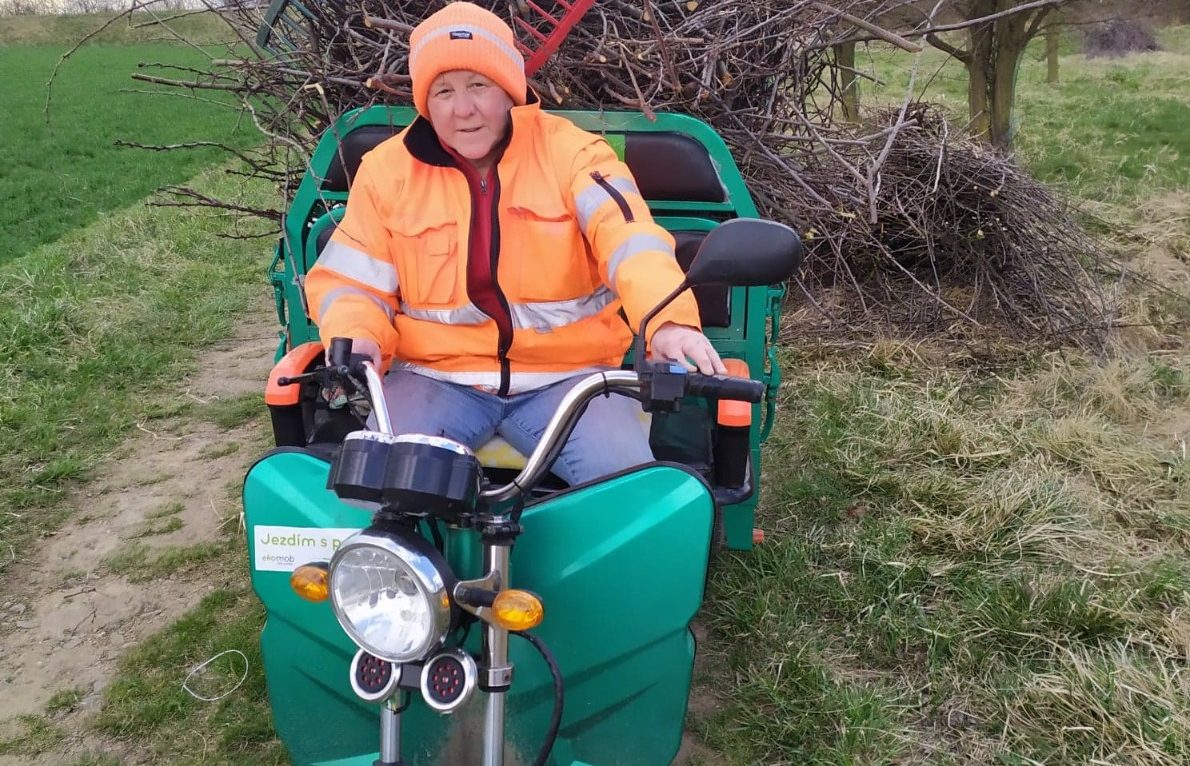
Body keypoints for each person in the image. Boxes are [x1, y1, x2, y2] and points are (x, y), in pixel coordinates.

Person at [305, 1, 725, 485]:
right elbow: (351, 281)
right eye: (443, 92)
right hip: (435, 378)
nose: (463, 109)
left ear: (509, 89)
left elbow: (632, 242)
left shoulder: (575, 154)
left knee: (629, 492)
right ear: (425, 104)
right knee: (378, 483)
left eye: (478, 86)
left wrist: (668, 322)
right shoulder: (386, 172)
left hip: (573, 383)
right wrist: (358, 337)